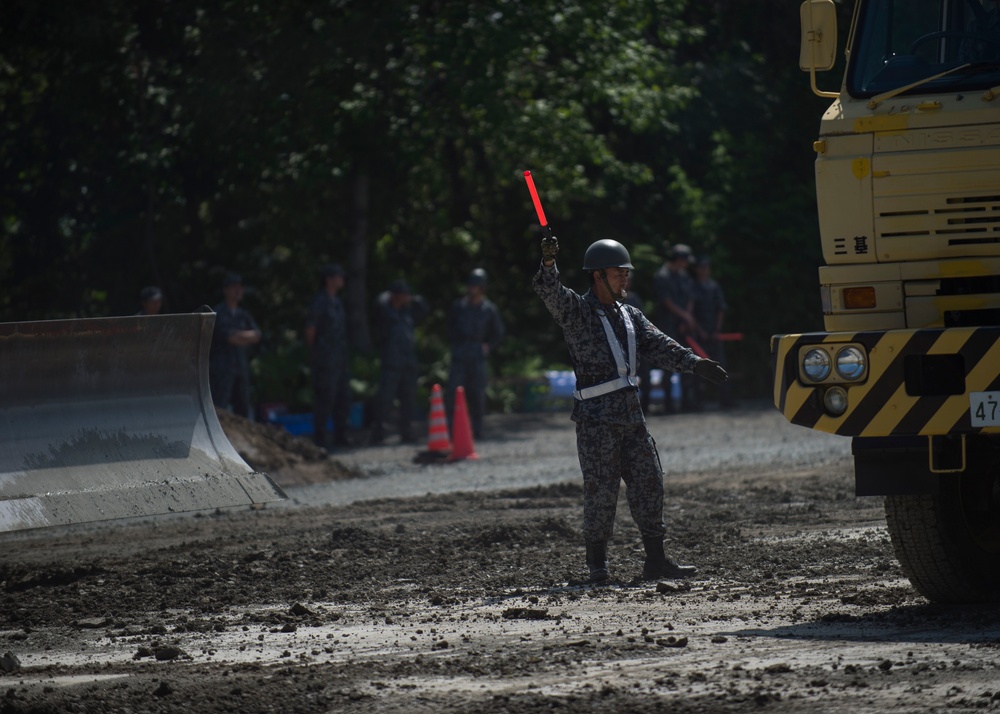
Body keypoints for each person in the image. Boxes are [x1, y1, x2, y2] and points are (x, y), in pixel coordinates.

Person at [532, 235, 727, 583]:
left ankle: (656, 561)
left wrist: (695, 363)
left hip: (632, 418)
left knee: (650, 483)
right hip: (596, 421)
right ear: (598, 276)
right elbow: (550, 293)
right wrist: (549, 263)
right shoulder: (578, 312)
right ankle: (598, 566)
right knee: (600, 493)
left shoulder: (631, 315)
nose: (625, 278)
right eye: (618, 272)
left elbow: (660, 345)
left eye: (626, 272)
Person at [446, 268, 504, 439]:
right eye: (470, 285)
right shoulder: (459, 306)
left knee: (477, 394)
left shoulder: (489, 309)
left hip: (477, 355)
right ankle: (452, 430)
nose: (471, 289)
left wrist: (488, 346)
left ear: (482, 288)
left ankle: (477, 430)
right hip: (460, 353)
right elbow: (449, 327)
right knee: (453, 392)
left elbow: (498, 332)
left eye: (475, 286)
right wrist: (456, 344)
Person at [370, 279, 429, 444]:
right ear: (395, 296)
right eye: (404, 295)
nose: (407, 298)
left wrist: (415, 300)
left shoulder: (406, 313)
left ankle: (406, 431)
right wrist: (390, 295)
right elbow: (379, 302)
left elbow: (425, 310)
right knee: (385, 399)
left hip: (408, 362)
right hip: (391, 363)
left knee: (408, 399)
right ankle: (378, 433)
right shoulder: (385, 311)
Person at [305, 263, 351, 450]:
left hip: (339, 358)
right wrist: (316, 353)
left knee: (343, 397)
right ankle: (320, 438)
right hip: (325, 358)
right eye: (338, 276)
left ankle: (341, 436)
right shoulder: (320, 301)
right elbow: (310, 330)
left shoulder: (337, 301)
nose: (341, 280)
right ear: (329, 280)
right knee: (325, 397)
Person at [209, 273, 262, 419]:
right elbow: (229, 337)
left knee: (243, 407)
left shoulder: (243, 314)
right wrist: (244, 336)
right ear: (226, 290)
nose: (238, 291)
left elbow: (257, 335)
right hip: (222, 369)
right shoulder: (218, 312)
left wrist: (239, 336)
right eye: (234, 288)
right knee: (220, 407)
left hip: (240, 366)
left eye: (240, 288)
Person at [652, 244, 697, 412]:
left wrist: (688, 317)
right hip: (668, 325)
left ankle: (688, 402)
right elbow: (666, 301)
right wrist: (684, 316)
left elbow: (690, 298)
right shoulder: (661, 276)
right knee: (668, 363)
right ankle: (669, 404)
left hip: (684, 326)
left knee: (687, 360)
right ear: (679, 260)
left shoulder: (684, 276)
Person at [690, 255, 734, 409]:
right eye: (701, 267)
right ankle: (698, 402)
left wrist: (717, 329)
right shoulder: (693, 287)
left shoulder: (714, 286)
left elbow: (721, 309)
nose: (704, 270)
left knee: (722, 365)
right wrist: (699, 330)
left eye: (706, 267)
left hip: (714, 333)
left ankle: (725, 399)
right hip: (698, 334)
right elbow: (691, 311)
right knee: (698, 367)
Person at [623, 273, 652, 414]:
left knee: (646, 377)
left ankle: (645, 407)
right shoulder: (610, 299)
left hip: (637, 343)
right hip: (621, 346)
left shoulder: (634, 298)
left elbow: (643, 320)